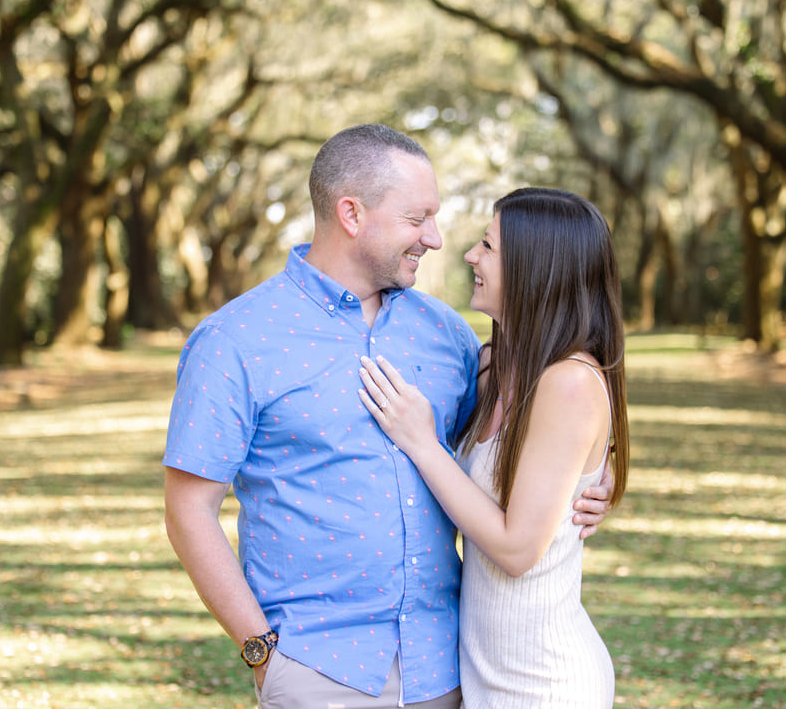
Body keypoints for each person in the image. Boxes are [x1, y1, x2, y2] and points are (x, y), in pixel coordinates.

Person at [162, 126, 612, 709]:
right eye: (416, 218)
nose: (436, 238)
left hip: (451, 671)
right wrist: (261, 651)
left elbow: (521, 444)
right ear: (351, 213)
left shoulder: (450, 337)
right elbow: (188, 509)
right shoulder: (235, 339)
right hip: (318, 671)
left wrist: (601, 481)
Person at [357, 186, 630, 707]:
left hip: (545, 683)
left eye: (488, 246)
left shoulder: (569, 381)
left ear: (536, 269)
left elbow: (516, 550)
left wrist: (421, 441)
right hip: (482, 677)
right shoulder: (493, 365)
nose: (469, 256)